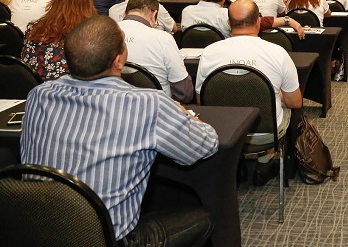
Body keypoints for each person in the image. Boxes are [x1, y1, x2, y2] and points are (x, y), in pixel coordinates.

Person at [20, 15, 219, 245]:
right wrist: (184, 114)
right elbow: (204, 147)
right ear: (118, 61)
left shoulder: (39, 95)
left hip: (34, 231)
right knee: (203, 218)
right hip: (108, 240)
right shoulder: (148, 104)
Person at [195, 0, 301, 184]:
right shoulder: (278, 53)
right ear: (259, 22)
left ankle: (234, 164)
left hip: (222, 131)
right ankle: (265, 162)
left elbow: (201, 101)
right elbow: (295, 102)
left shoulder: (209, 52)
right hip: (267, 134)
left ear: (229, 24)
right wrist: (279, 95)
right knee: (286, 107)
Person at [118, 0, 193, 102]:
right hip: (159, 106)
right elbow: (183, 92)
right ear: (154, 15)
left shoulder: (106, 33)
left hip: (118, 105)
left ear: (125, 13)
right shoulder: (163, 38)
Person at [21, 0, 97, 80]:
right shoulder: (92, 33)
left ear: (54, 2)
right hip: (76, 90)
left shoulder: (34, 29)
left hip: (36, 88)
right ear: (88, 5)